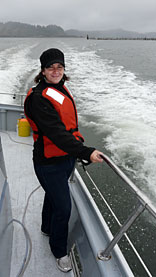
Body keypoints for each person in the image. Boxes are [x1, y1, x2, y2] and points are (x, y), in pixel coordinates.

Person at [24, 48, 103, 273]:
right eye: (51, 67)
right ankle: (59, 251)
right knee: (63, 207)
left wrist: (76, 151)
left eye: (59, 67)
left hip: (66, 158)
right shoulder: (39, 99)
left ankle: (46, 228)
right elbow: (57, 134)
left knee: (53, 196)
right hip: (48, 163)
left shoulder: (59, 89)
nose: (55, 71)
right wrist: (86, 152)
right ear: (43, 71)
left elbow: (67, 128)